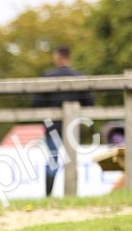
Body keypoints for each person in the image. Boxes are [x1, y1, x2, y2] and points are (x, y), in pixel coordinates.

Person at [30, 46, 94, 197]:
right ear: (69, 58)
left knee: (52, 160)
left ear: (57, 58)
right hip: (74, 127)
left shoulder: (47, 76)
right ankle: (71, 194)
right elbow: (89, 103)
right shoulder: (79, 77)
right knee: (72, 160)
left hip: (52, 126)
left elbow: (36, 103)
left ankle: (48, 195)